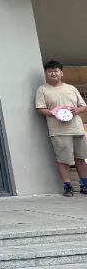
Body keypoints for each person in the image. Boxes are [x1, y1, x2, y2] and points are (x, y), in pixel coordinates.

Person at [35, 59, 87, 197]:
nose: (53, 73)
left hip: (77, 129)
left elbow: (83, 106)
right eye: (50, 71)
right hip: (59, 131)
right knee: (64, 160)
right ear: (46, 73)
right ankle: (67, 186)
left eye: (56, 71)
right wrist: (52, 112)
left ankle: (85, 185)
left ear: (61, 73)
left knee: (81, 158)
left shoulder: (71, 88)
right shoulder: (42, 90)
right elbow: (40, 108)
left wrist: (77, 110)